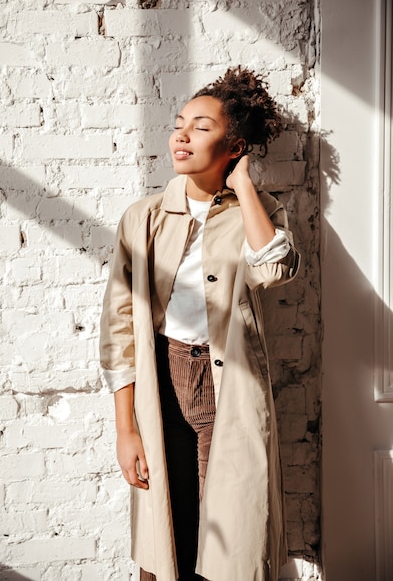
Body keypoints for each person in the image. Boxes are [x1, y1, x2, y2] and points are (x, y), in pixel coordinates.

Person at [99, 67, 300, 581]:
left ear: (234, 145)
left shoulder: (259, 212)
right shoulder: (142, 218)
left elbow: (275, 267)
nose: (182, 135)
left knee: (229, 537)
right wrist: (126, 430)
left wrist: (244, 187)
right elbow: (118, 332)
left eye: (202, 127)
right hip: (161, 383)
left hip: (226, 385)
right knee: (168, 534)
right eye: (178, 123)